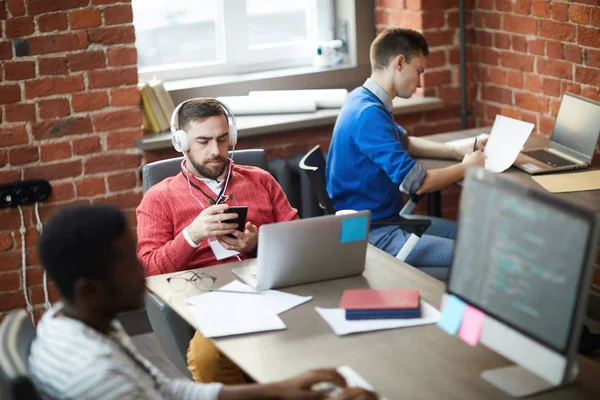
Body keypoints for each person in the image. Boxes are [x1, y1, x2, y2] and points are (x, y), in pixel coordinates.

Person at [29, 205, 376, 400]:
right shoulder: (100, 379)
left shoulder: (67, 321)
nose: (143, 270)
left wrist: (279, 390)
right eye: (129, 263)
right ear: (90, 290)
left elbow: (166, 390)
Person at [136, 98, 299, 384]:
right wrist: (192, 235)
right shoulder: (159, 198)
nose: (216, 151)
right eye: (204, 141)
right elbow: (147, 268)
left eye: (223, 140)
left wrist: (257, 244)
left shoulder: (260, 180)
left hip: (268, 287)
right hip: (208, 298)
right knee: (206, 357)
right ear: (182, 143)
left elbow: (297, 240)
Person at [326, 28, 486, 280]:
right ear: (399, 62)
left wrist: (456, 151)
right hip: (377, 234)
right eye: (419, 71)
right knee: (478, 256)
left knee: (473, 237)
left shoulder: (362, 99)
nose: (420, 82)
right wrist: (468, 166)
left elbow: (405, 142)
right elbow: (419, 183)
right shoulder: (368, 114)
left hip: (385, 221)